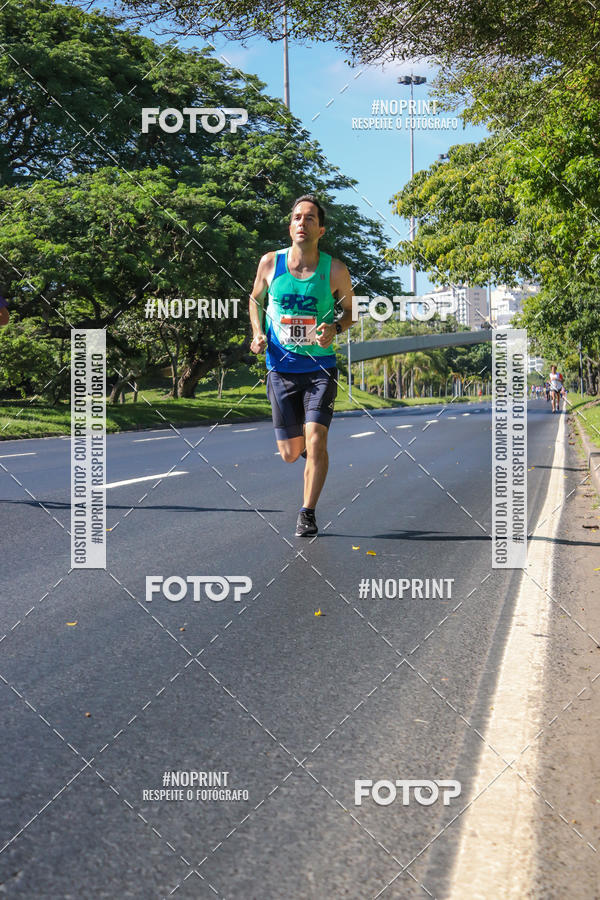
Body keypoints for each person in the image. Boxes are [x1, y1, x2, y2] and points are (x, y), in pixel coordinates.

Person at [249, 194, 355, 536]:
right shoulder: (270, 263)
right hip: (280, 368)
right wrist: (257, 333)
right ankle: (311, 453)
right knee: (291, 454)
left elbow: (350, 312)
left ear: (320, 229)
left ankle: (307, 513)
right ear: (290, 225)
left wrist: (335, 328)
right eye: (297, 217)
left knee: (317, 439)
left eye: (310, 218)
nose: (302, 222)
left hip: (320, 368)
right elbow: (255, 299)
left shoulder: (335, 270)